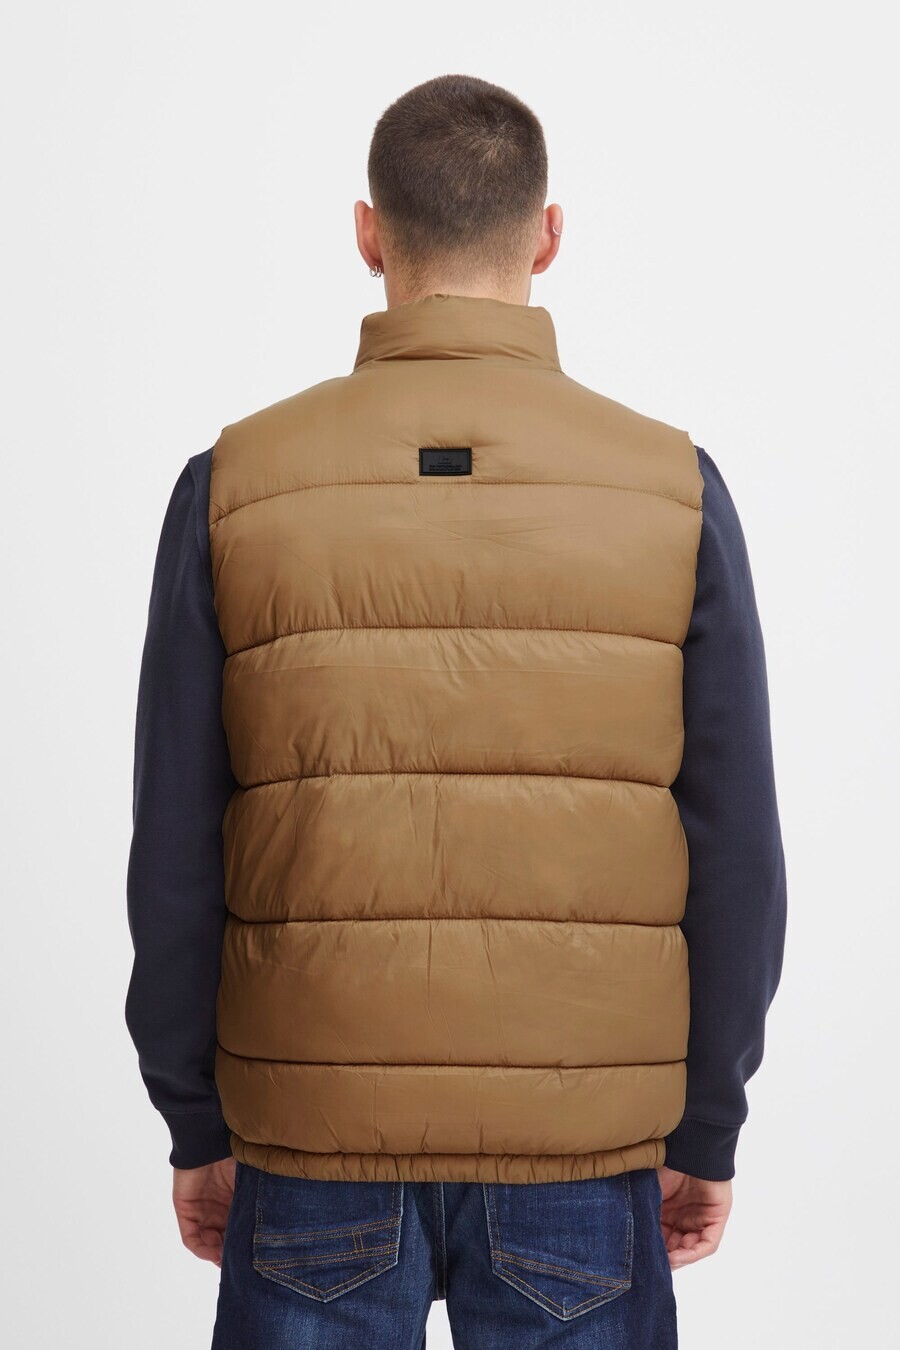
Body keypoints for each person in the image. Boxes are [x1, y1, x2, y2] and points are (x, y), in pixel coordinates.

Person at [125, 73, 787, 1349]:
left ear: (368, 234)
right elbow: (738, 850)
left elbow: (175, 848)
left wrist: (194, 1118)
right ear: (548, 236)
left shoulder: (235, 484)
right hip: (580, 1147)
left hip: (309, 1138)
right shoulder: (672, 488)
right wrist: (707, 1123)